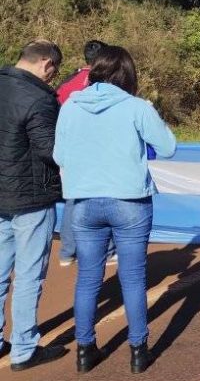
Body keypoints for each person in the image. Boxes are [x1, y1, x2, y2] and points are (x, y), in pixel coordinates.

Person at [54, 45, 177, 373]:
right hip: (129, 201)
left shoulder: (70, 107)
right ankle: (138, 350)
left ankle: (85, 350)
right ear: (127, 75)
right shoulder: (136, 107)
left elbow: (59, 155)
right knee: (133, 277)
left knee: (87, 277)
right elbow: (168, 147)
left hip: (83, 201)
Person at [0, 40, 69, 371]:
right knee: (29, 274)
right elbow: (50, 150)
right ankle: (25, 348)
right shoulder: (40, 99)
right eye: (54, 71)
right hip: (31, 196)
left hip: (1, 193)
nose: (53, 78)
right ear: (46, 64)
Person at [54, 39, 115, 268]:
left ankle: (67, 252)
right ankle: (106, 251)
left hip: (70, 149)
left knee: (73, 199)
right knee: (106, 197)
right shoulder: (107, 84)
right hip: (99, 150)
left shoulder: (68, 82)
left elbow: (55, 111)